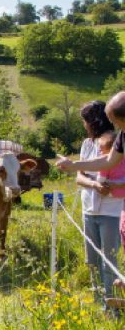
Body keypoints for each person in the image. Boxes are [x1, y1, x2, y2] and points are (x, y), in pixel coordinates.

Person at [58, 93, 125, 303]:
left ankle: (113, 304)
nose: (113, 124)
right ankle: (106, 302)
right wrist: (74, 166)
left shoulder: (116, 136)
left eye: (115, 120)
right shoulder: (122, 136)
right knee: (94, 258)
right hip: (94, 208)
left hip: (113, 210)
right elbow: (108, 161)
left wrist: (115, 185)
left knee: (110, 259)